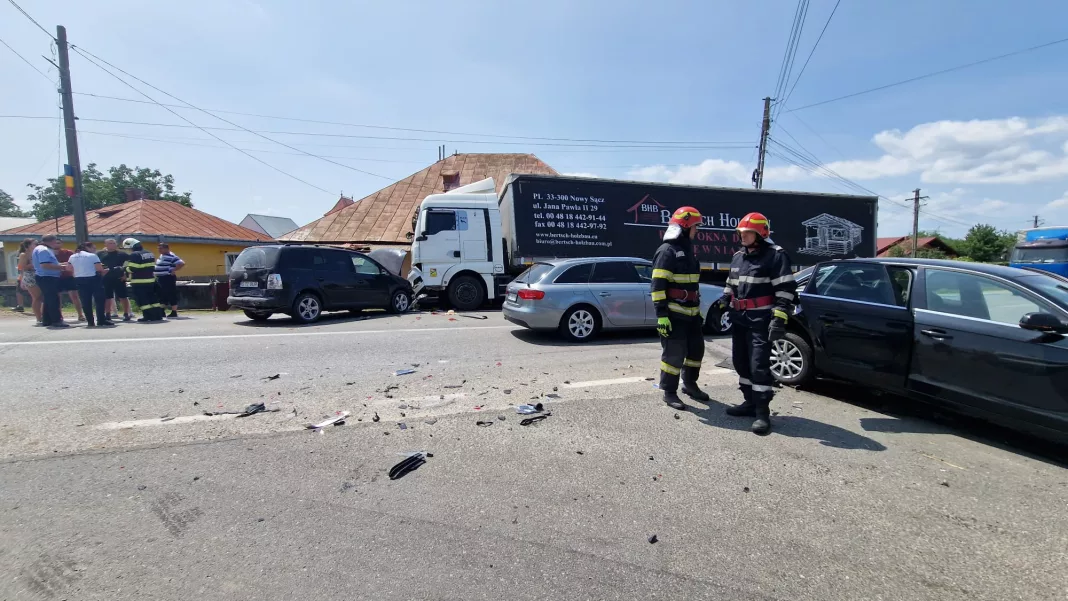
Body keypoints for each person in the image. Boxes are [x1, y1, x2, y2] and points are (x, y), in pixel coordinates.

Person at [719, 212, 797, 435]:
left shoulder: (776, 256)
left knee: (758, 365)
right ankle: (749, 403)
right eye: (740, 233)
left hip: (761, 320)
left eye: (747, 233)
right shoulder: (737, 256)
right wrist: (725, 299)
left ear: (761, 233)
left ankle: (763, 413)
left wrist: (779, 317)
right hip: (740, 319)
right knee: (740, 362)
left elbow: (785, 290)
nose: (742, 236)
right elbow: (730, 283)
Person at [651, 206, 710, 410]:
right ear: (685, 227)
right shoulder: (667, 251)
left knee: (696, 351)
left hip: (692, 314)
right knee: (673, 356)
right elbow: (657, 285)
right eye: (695, 226)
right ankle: (669, 392)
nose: (697, 230)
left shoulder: (689, 250)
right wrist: (662, 316)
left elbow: (692, 285)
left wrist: (698, 311)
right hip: (674, 314)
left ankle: (690, 385)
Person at [70, 242, 113, 327]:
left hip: (79, 279)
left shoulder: (72, 256)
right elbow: (99, 269)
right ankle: (101, 320)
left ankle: (90, 321)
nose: (94, 250)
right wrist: (106, 271)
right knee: (99, 300)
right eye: (93, 248)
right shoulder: (92, 256)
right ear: (87, 247)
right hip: (93, 279)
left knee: (85, 301)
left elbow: (69, 268)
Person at [122, 238, 165, 322]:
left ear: (131, 246)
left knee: (142, 300)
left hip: (139, 281)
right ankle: (158, 315)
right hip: (150, 280)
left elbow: (133, 268)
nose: (128, 250)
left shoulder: (135, 254)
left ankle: (148, 316)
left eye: (127, 248)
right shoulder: (149, 253)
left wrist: (124, 269)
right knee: (153, 299)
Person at [32, 235, 69, 328]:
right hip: (47, 277)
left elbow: (50, 263)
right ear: (52, 241)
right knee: (53, 299)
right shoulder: (44, 250)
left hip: (46, 276)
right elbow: (45, 265)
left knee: (48, 299)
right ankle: (56, 320)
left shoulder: (41, 249)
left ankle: (47, 320)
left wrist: (63, 264)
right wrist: (63, 267)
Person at [98, 238, 133, 321]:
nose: (112, 245)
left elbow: (131, 264)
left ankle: (126, 313)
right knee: (107, 297)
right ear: (105, 244)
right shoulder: (100, 254)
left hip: (119, 278)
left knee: (123, 296)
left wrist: (126, 274)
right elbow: (96, 264)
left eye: (114, 243)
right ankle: (107, 314)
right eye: (110, 243)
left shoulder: (122, 254)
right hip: (106, 278)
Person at [53, 243, 86, 322]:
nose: (56, 244)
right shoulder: (49, 253)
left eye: (58, 242)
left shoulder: (68, 253)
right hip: (57, 277)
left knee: (74, 296)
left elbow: (73, 263)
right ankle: (59, 315)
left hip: (69, 276)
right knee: (58, 297)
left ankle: (80, 314)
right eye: (55, 243)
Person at [154, 242, 185, 318]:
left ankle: (174, 311)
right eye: (158, 249)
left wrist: (173, 270)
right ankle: (162, 311)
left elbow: (181, 263)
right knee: (162, 294)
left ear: (166, 249)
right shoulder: (162, 256)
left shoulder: (171, 256)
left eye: (161, 248)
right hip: (160, 277)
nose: (159, 250)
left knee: (170, 293)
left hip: (167, 277)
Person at [16, 238, 42, 323]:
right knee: (37, 297)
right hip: (29, 276)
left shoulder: (37, 253)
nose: (37, 245)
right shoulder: (24, 255)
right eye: (34, 244)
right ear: (28, 246)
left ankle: (42, 315)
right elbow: (21, 267)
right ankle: (39, 318)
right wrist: (33, 264)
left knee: (41, 297)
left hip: (38, 275)